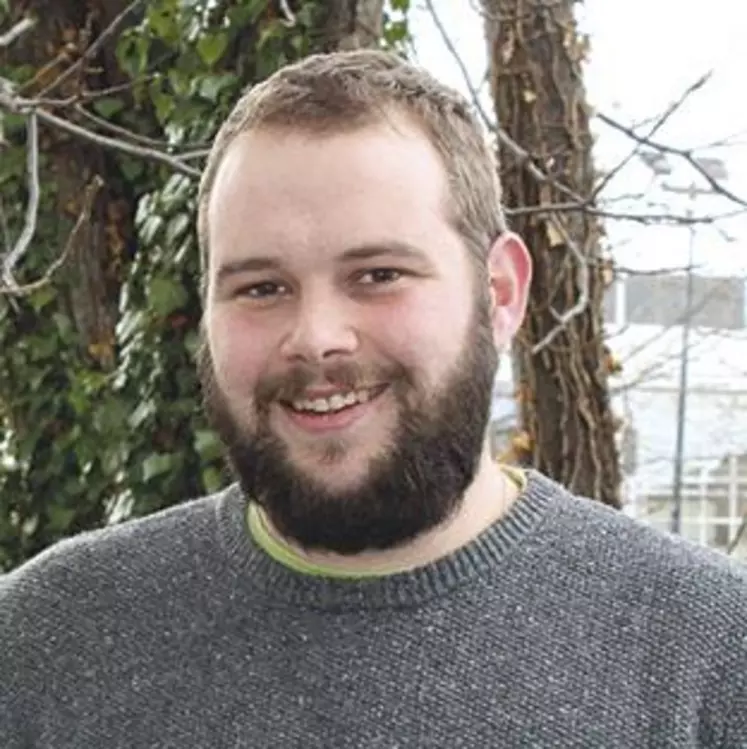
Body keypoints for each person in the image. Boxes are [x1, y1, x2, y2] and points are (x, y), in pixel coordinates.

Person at [1, 49, 745, 748]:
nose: (316, 337)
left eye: (378, 274)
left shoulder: (709, 656)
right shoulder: (42, 645)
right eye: (261, 287)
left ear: (501, 293)